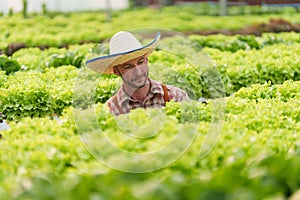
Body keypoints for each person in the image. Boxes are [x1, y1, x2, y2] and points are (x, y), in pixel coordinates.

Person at [86, 31, 190, 115]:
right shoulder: (111, 110)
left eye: (140, 62)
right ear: (116, 71)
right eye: (128, 67)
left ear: (147, 61)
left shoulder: (177, 97)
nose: (138, 71)